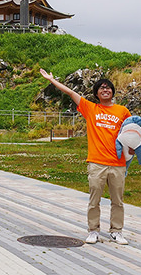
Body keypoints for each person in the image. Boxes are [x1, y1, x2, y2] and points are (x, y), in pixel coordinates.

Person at [39, 68, 132, 245]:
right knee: (94, 200)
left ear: (112, 92)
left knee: (117, 201)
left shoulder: (123, 111)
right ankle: (93, 231)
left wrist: (133, 149)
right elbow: (70, 92)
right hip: (97, 163)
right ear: (96, 93)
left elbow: (131, 133)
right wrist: (52, 80)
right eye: (101, 88)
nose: (106, 90)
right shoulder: (91, 108)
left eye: (108, 88)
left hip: (118, 163)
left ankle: (116, 231)